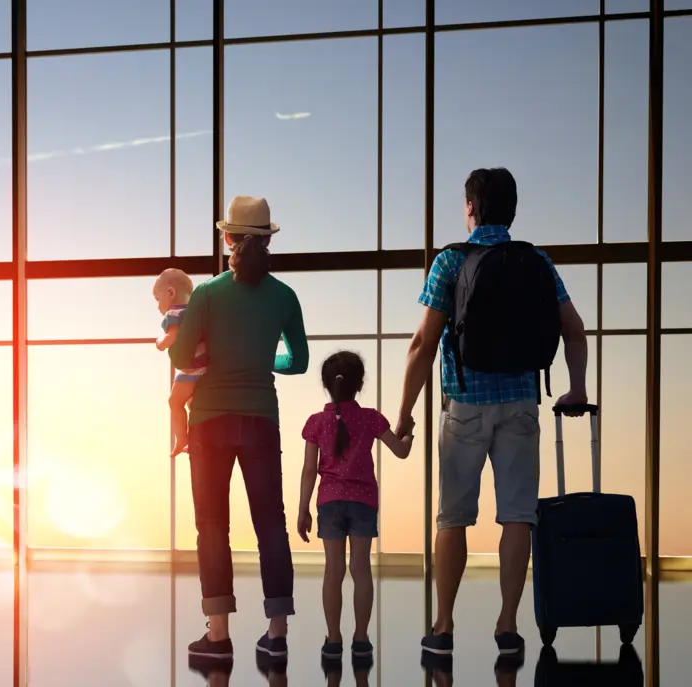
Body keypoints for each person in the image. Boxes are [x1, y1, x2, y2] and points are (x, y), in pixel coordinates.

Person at [394, 168, 588, 657]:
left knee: (453, 518)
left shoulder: (450, 262)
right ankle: (507, 626)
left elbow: (423, 343)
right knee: (518, 516)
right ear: (513, 210)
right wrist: (577, 387)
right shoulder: (537, 260)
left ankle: (443, 626)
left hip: (463, 405)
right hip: (522, 405)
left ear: (470, 208)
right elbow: (574, 327)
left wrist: (404, 414)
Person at [169, 195, 309, 662]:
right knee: (271, 524)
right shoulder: (285, 297)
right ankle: (276, 633)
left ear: (227, 239)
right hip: (261, 421)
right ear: (267, 241)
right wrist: (263, 359)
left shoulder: (207, 295)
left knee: (212, 526)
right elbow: (301, 361)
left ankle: (218, 634)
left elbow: (180, 357)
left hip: (208, 423)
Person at [297, 351, 412, 662]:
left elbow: (310, 470)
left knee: (332, 571)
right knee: (360, 570)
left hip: (329, 503)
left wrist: (302, 508)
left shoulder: (316, 423)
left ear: (326, 385)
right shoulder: (371, 418)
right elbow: (401, 451)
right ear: (360, 384)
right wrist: (409, 432)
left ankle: (333, 640)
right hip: (363, 503)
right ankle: (361, 639)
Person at [154, 268, 208, 457]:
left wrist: (160, 344)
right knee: (193, 405)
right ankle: (197, 438)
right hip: (205, 367)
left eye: (157, 299)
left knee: (174, 402)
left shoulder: (173, 314)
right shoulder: (195, 313)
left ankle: (182, 440)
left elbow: (172, 335)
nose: (158, 305)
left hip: (190, 370)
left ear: (170, 293)